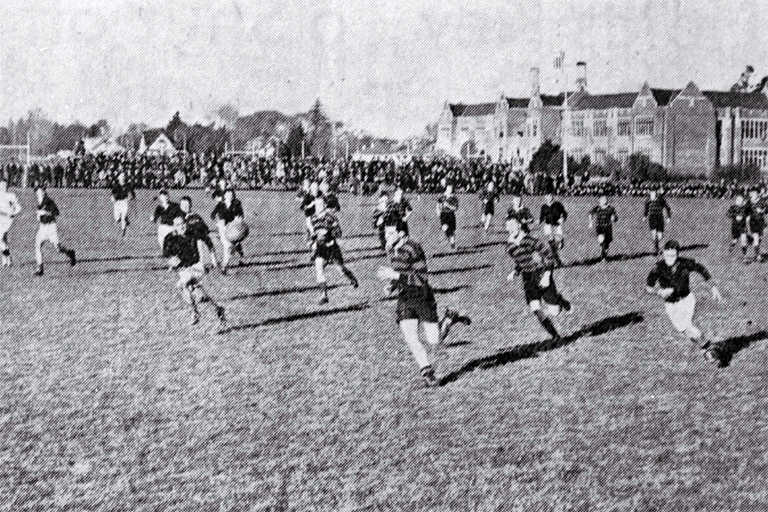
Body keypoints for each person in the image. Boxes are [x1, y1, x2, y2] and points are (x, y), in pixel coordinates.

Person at [376, 219, 471, 387]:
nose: (386, 236)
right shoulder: (391, 250)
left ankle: (449, 319)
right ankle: (428, 372)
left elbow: (422, 277)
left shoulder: (414, 248)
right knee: (411, 337)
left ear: (401, 233)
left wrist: (395, 276)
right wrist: (392, 286)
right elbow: (401, 273)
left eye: (390, 233)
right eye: (385, 232)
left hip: (422, 297)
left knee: (435, 340)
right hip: (405, 297)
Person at [645, 240, 723, 363]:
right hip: (670, 304)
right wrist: (659, 292)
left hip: (686, 300)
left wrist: (712, 286)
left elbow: (701, 269)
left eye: (673, 255)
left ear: (678, 254)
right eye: (667, 255)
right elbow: (648, 287)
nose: (669, 258)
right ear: (663, 254)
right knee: (684, 330)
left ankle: (710, 349)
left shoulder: (685, 263)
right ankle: (706, 348)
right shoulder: (658, 267)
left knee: (688, 325)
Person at [506, 215, 570, 341]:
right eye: (508, 226)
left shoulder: (533, 241)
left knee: (555, 311)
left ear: (519, 225)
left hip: (541, 273)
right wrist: (515, 271)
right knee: (535, 307)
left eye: (513, 224)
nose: (511, 228)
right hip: (527, 278)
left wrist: (547, 275)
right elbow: (521, 260)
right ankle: (555, 336)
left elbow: (550, 257)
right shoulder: (509, 247)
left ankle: (560, 300)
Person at [163, 216, 227, 331]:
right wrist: (172, 262)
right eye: (178, 225)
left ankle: (195, 312)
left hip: (197, 266)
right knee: (198, 294)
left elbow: (208, 241)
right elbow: (167, 255)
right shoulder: (170, 238)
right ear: (174, 227)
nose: (182, 226)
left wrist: (212, 258)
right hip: (183, 269)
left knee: (182, 285)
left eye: (183, 223)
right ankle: (218, 310)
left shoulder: (193, 232)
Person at [311, 195, 358, 304]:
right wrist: (312, 241)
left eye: (320, 204)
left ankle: (352, 278)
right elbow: (311, 233)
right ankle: (324, 295)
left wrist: (331, 233)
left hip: (332, 248)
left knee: (340, 270)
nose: (318, 206)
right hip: (320, 248)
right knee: (319, 269)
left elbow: (339, 233)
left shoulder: (331, 217)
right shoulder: (314, 218)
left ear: (324, 205)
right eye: (316, 204)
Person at [34, 186, 77, 276]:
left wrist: (45, 213)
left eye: (42, 191)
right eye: (38, 192)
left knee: (58, 248)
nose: (40, 193)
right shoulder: (39, 202)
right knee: (38, 246)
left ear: (44, 192)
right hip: (42, 227)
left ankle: (70, 253)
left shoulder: (49, 201)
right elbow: (39, 216)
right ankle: (40, 269)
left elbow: (56, 213)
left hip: (51, 227)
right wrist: (39, 216)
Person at [211, 188, 246, 274]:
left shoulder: (237, 203)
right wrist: (217, 221)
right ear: (224, 195)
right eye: (227, 194)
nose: (229, 196)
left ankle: (228, 264)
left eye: (231, 195)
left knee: (231, 246)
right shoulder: (220, 205)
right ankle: (226, 265)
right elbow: (212, 215)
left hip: (233, 228)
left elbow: (241, 215)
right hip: (223, 228)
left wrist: (238, 219)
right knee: (228, 246)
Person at [179, 196, 219, 271]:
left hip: (201, 237)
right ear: (180, 206)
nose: (186, 207)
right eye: (183, 205)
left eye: (187, 205)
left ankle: (214, 261)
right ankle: (197, 263)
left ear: (191, 205)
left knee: (208, 241)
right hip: (190, 240)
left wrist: (205, 232)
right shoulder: (179, 218)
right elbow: (180, 231)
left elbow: (205, 227)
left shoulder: (196, 216)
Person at [539, 193, 568, 266]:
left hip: (557, 225)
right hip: (548, 226)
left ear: (552, 196)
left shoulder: (557, 204)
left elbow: (564, 213)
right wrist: (538, 221)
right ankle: (558, 261)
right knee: (552, 246)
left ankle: (560, 242)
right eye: (547, 196)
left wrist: (563, 219)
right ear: (545, 197)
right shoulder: (544, 206)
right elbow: (542, 217)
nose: (549, 197)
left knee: (559, 246)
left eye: (550, 195)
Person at [589, 195, 619, 261]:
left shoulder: (610, 208)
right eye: (602, 199)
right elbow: (590, 214)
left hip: (608, 227)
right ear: (599, 200)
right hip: (599, 227)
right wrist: (590, 223)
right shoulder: (597, 208)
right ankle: (602, 256)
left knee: (607, 243)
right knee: (601, 241)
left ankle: (605, 256)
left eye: (605, 199)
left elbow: (616, 218)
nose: (604, 200)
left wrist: (614, 218)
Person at [0, 179, 22, 267]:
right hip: (0, 218)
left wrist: (13, 213)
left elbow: (18, 207)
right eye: (1, 185)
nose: (3, 187)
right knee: (3, 240)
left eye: (5, 185)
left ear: (7, 186)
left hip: (8, 220)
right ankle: (6, 260)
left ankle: (7, 257)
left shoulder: (11, 196)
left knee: (1, 237)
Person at [644, 190, 671, 256]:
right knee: (653, 234)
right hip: (652, 218)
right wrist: (645, 216)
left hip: (659, 218)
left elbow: (668, 208)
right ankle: (656, 249)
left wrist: (668, 217)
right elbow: (646, 209)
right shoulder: (648, 201)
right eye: (651, 194)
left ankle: (657, 246)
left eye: (654, 194)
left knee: (660, 236)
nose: (652, 196)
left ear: (656, 195)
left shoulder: (661, 200)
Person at [111, 172, 136, 237]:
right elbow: (112, 195)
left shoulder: (129, 185)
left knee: (123, 218)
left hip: (125, 202)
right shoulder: (116, 186)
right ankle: (126, 220)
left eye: (124, 176)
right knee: (117, 219)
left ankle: (123, 232)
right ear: (118, 178)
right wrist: (113, 199)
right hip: (117, 203)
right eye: (122, 177)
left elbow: (133, 195)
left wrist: (131, 198)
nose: (123, 178)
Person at [728, 194, 750, 262]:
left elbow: (748, 214)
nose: (740, 201)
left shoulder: (745, 208)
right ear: (736, 201)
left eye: (741, 200)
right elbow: (727, 214)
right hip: (735, 226)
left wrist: (747, 218)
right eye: (738, 200)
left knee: (743, 240)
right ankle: (732, 245)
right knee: (735, 240)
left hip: (742, 226)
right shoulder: (733, 207)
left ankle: (745, 257)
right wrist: (735, 216)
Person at [436, 184, 459, 249]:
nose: (450, 190)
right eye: (449, 188)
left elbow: (455, 208)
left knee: (452, 231)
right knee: (444, 228)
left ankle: (453, 244)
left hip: (450, 214)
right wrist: (438, 211)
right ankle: (450, 239)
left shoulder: (454, 198)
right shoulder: (442, 197)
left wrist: (448, 205)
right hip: (443, 215)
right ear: (446, 189)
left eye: (451, 189)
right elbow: (438, 204)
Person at [747, 189, 765, 262]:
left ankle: (752, 241)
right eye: (752, 193)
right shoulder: (749, 202)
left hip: (761, 222)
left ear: (757, 194)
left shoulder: (761, 201)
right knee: (757, 238)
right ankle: (758, 256)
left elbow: (765, 210)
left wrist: (761, 211)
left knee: (759, 238)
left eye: (754, 193)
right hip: (753, 222)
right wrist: (746, 221)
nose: (752, 195)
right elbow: (746, 213)